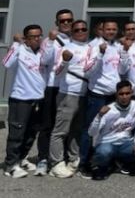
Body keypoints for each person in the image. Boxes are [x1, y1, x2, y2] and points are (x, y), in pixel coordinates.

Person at [3, 25, 56, 178]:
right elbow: (6, 63)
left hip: (38, 99)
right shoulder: (20, 50)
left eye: (39, 35)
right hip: (20, 99)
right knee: (17, 133)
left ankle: (21, 158)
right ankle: (10, 165)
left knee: (31, 132)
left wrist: (50, 40)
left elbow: (49, 59)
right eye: (33, 36)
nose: (37, 39)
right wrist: (16, 43)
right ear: (26, 39)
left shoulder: (42, 52)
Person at [79, 19, 122, 178]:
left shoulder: (116, 46)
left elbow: (119, 69)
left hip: (112, 95)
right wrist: (100, 54)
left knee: (109, 129)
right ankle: (84, 163)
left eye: (114, 29)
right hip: (97, 94)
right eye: (108, 29)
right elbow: (87, 71)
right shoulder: (93, 46)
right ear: (101, 30)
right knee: (91, 129)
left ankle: (104, 161)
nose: (111, 32)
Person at [49, 19, 91, 178]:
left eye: (83, 29)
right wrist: (65, 61)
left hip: (84, 93)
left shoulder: (91, 47)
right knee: (61, 130)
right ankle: (56, 163)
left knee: (77, 130)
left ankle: (73, 158)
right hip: (68, 93)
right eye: (77, 30)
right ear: (72, 32)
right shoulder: (66, 47)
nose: (80, 32)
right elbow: (57, 72)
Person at [36, 8, 74, 176]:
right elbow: (44, 60)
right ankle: (43, 159)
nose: (66, 23)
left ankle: (60, 157)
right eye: (62, 20)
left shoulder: (76, 39)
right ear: (57, 23)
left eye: (69, 20)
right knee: (47, 124)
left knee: (65, 125)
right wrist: (51, 41)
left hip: (70, 87)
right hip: (52, 86)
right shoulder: (49, 40)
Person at [88, 80, 135, 180]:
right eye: (121, 94)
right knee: (104, 152)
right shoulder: (108, 110)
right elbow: (91, 132)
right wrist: (99, 116)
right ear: (116, 94)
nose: (124, 97)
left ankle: (122, 163)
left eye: (127, 93)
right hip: (107, 143)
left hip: (126, 142)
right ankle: (103, 167)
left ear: (132, 93)